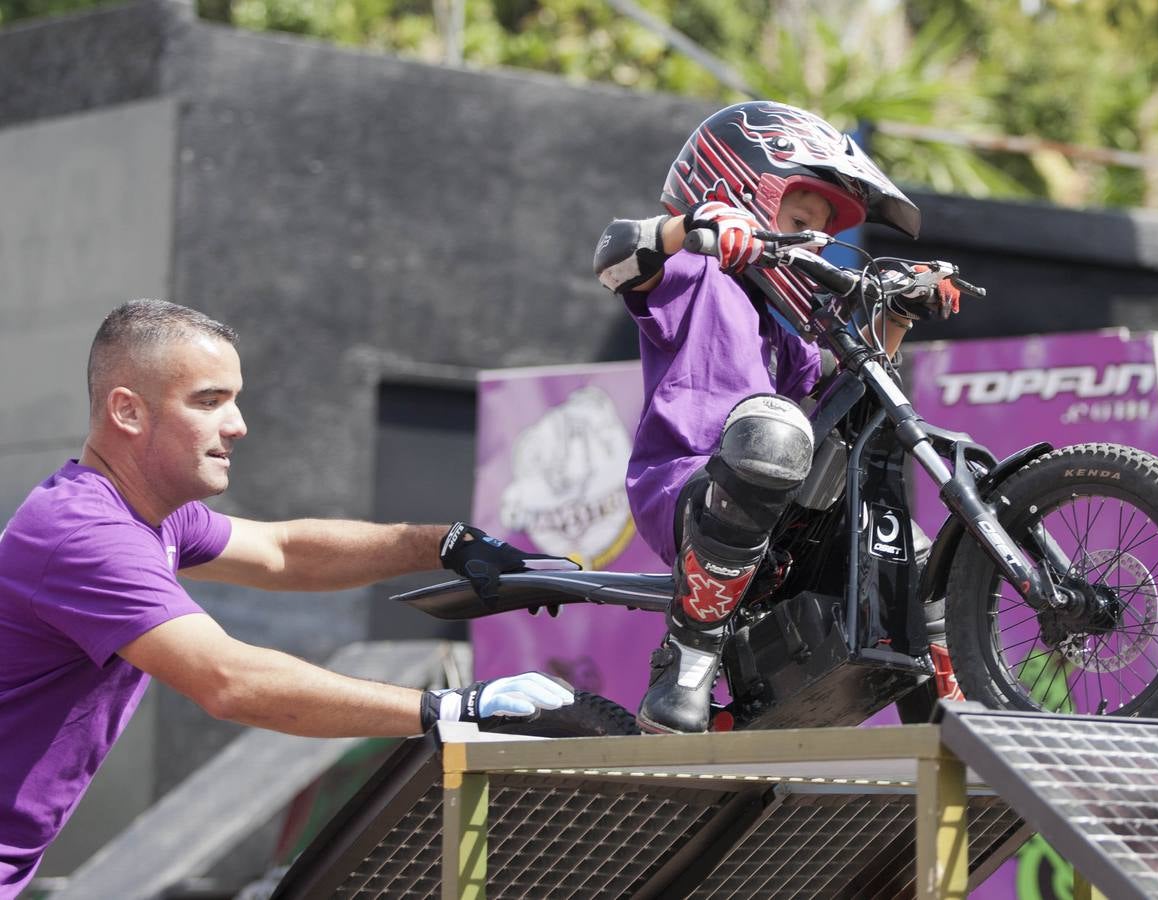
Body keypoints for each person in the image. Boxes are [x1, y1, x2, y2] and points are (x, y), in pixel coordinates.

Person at [0, 299, 577, 897]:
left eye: (235, 399)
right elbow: (229, 681)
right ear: (127, 410)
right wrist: (453, 709)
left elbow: (284, 552)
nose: (238, 424)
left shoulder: (150, 517)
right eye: (208, 400)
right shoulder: (87, 535)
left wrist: (445, 544)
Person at [593, 101, 963, 734]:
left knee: (909, 550)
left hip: (782, 503)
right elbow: (615, 255)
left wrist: (897, 312)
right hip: (686, 488)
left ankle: (953, 723)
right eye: (800, 221)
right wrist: (695, 225)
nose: (814, 241)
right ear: (737, 187)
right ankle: (686, 659)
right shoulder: (690, 273)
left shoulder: (786, 336)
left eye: (823, 233)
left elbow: (846, 398)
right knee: (773, 430)